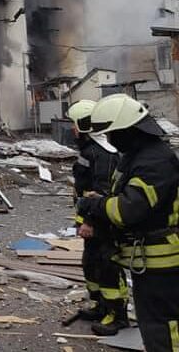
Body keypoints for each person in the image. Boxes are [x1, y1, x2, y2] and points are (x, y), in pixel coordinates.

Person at [78, 94, 179, 351]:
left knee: (162, 325)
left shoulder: (154, 161)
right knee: (154, 323)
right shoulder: (139, 155)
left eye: (113, 133)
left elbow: (128, 210)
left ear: (128, 130)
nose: (110, 139)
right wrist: (103, 202)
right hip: (149, 259)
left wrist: (95, 205)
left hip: (161, 260)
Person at [66, 99, 128, 335]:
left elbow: (101, 193)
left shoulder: (104, 153)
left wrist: (90, 221)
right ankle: (101, 305)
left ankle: (117, 314)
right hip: (91, 219)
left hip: (103, 223)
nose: (72, 129)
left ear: (84, 125)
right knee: (91, 264)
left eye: (74, 124)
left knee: (107, 265)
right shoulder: (89, 150)